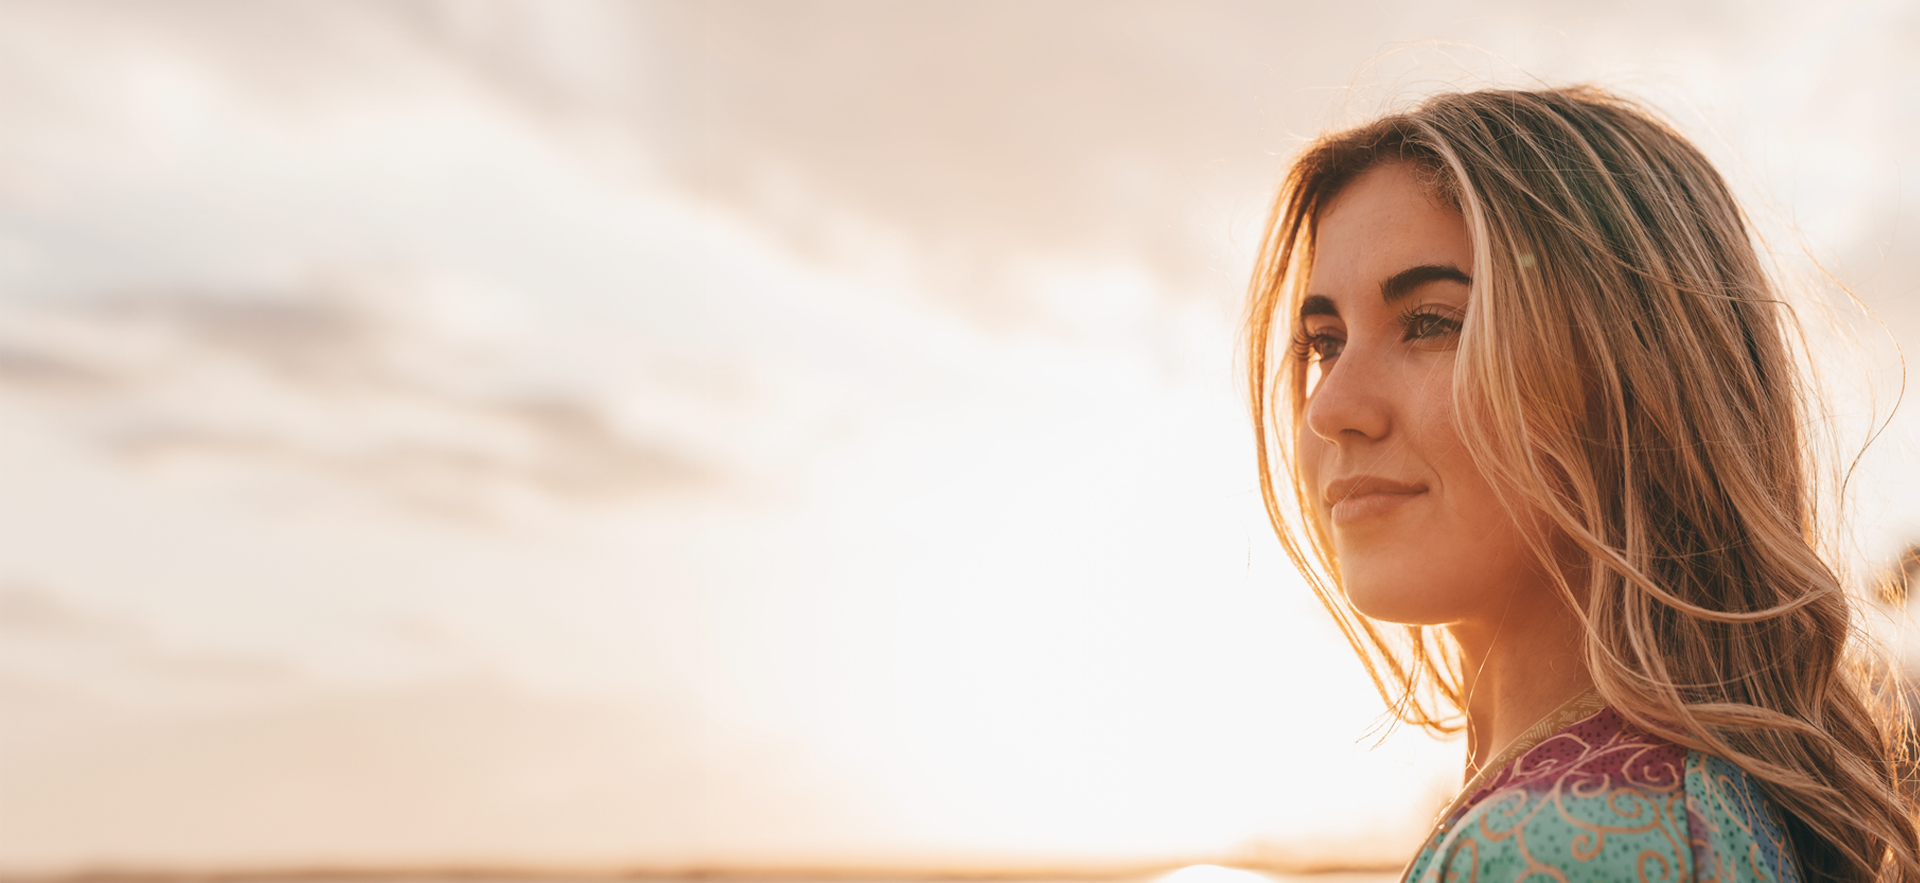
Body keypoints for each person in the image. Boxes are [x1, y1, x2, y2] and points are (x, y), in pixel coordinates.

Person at [1243, 86, 1920, 882]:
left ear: (1633, 375)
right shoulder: (1684, 795)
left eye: (1430, 322)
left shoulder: (1557, 842)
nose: (1330, 408)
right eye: (1324, 341)